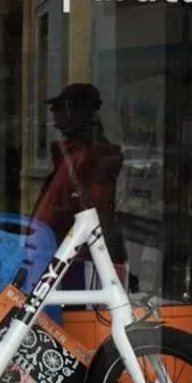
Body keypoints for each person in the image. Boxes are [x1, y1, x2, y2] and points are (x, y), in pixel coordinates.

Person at [32, 83, 126, 288]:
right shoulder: (73, 154)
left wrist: (38, 240)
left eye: (59, 109)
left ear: (73, 110)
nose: (55, 117)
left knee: (76, 304)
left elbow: (84, 208)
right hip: (65, 249)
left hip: (75, 254)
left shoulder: (86, 157)